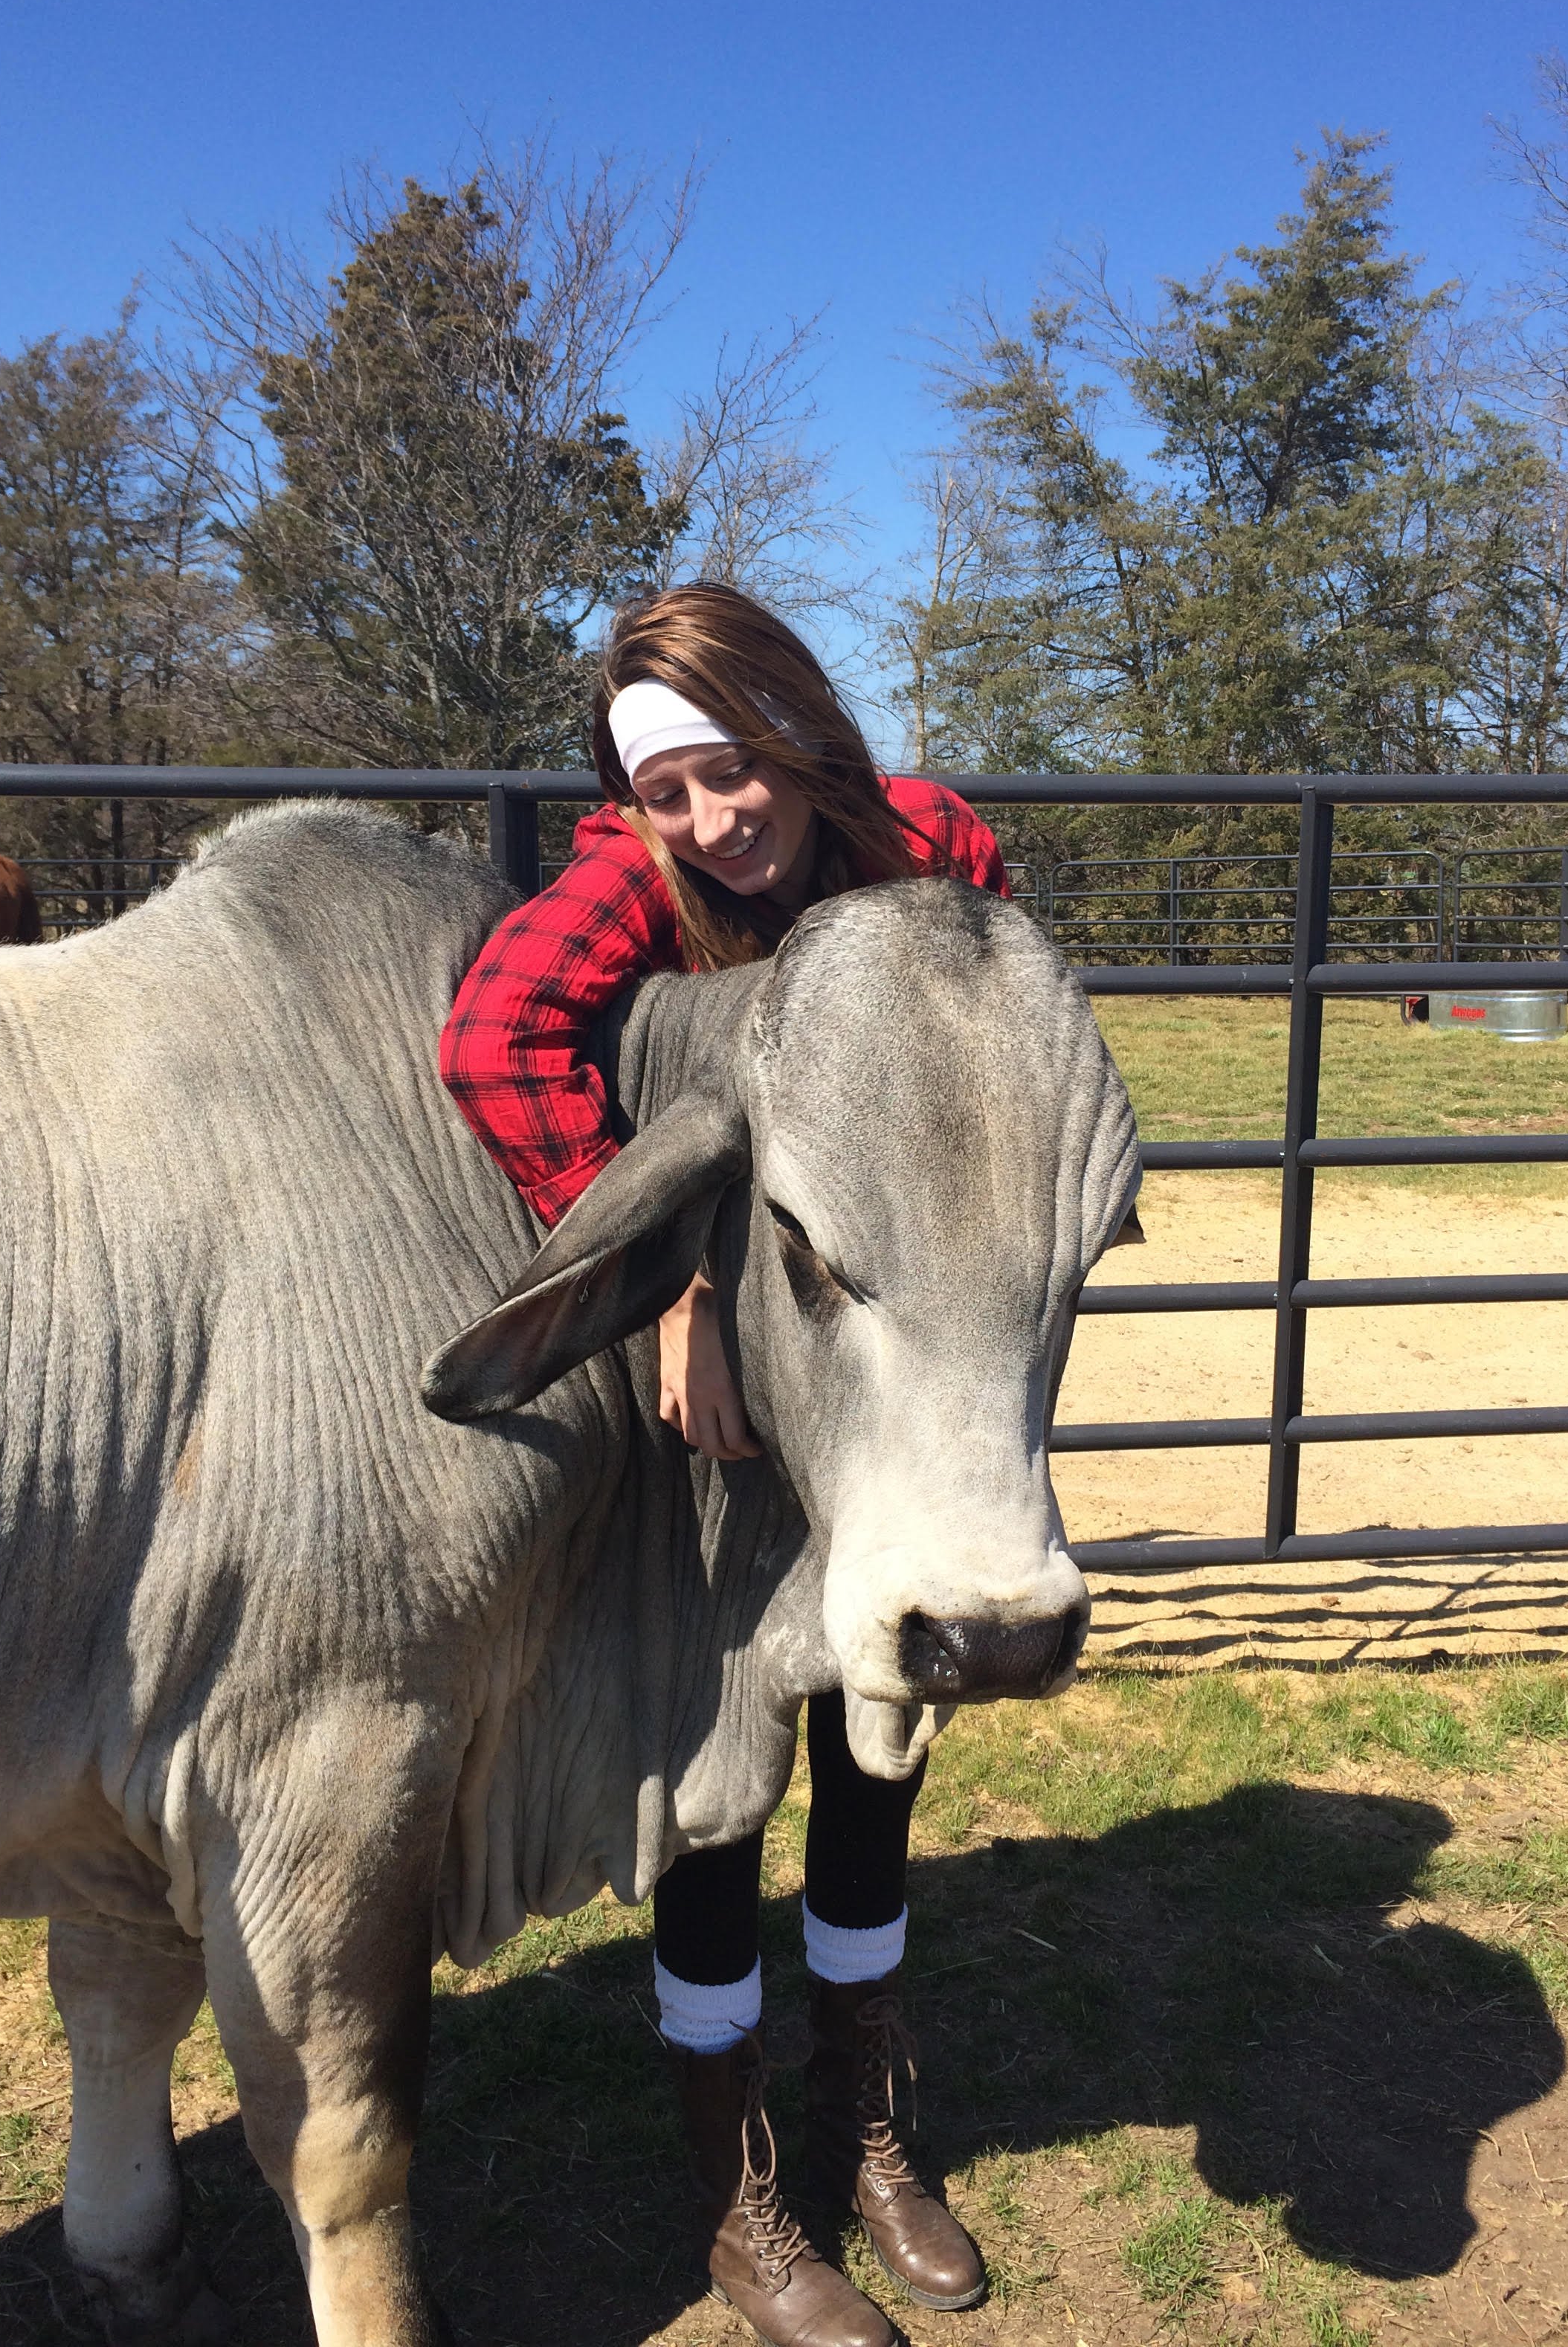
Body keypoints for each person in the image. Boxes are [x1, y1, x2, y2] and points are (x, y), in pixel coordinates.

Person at [440, 582, 1007, 2347]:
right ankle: (740, 2181)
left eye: (732, 772)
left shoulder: (931, 843)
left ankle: (872, 2110)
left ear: (795, 727)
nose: (710, 822)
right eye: (666, 793)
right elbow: (494, 1037)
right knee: (720, 1748)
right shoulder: (633, 878)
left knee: (882, 1718)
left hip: (901, 1365)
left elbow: (992, 1055)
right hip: (736, 1387)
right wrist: (666, 1273)